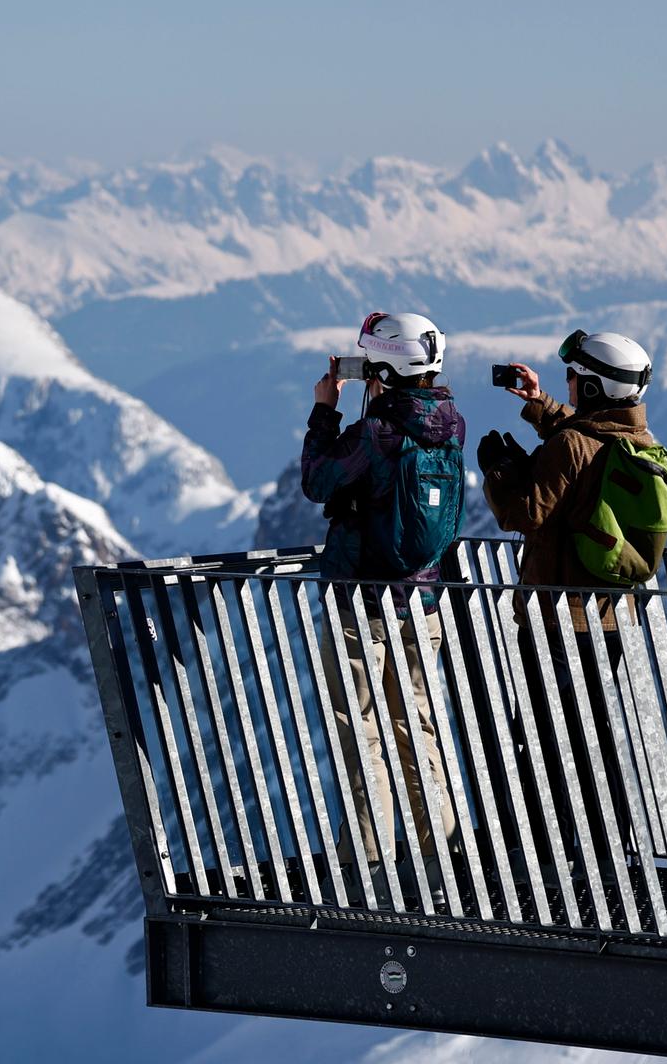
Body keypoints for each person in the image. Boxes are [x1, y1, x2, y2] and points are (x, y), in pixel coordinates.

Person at [301, 311, 465, 905]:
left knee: (360, 732)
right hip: (424, 602)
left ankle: (368, 864)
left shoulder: (376, 436)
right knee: (415, 726)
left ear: (384, 367)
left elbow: (319, 481)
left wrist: (327, 409)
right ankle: (439, 857)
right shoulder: (450, 427)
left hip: (363, 602)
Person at [479, 329, 655, 878]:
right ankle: (609, 854)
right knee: (596, 734)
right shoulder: (637, 442)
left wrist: (500, 474)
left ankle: (538, 856)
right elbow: (583, 445)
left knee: (541, 736)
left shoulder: (570, 445)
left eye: (575, 379)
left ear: (596, 388)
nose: (568, 386)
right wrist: (539, 405)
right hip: (609, 618)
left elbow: (525, 514)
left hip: (556, 617)